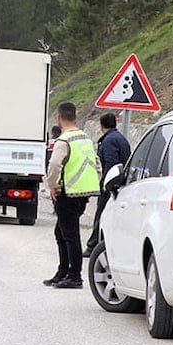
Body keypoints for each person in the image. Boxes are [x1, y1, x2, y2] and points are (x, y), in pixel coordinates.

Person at [44, 102, 101, 289]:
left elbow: (54, 165)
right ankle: (63, 272)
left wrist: (51, 186)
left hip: (66, 193)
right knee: (61, 232)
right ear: (75, 117)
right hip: (82, 193)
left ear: (59, 118)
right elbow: (96, 164)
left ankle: (74, 276)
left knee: (69, 235)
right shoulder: (85, 138)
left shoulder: (64, 140)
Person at [85, 113, 133, 256]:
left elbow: (111, 163)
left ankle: (93, 245)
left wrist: (105, 183)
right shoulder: (121, 139)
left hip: (112, 184)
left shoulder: (109, 141)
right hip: (122, 183)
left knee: (101, 213)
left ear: (101, 126)